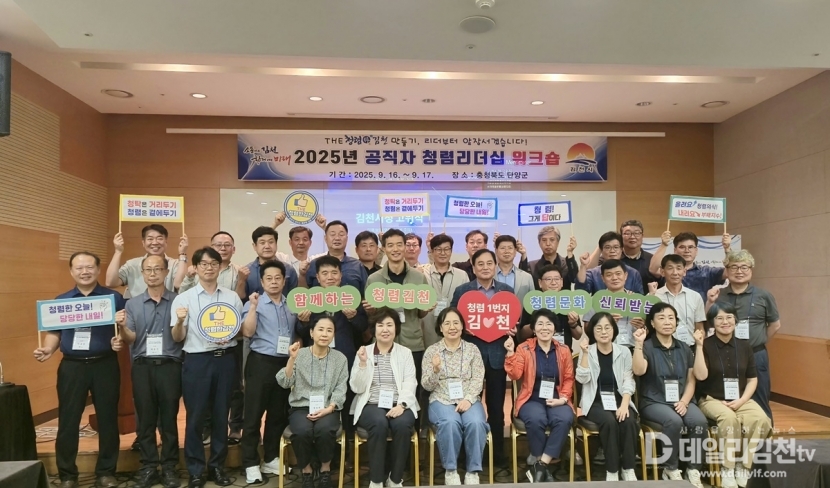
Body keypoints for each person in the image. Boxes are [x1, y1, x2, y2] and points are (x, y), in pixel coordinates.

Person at [33, 252, 126, 488]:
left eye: (89, 267)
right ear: (71, 271)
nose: (85, 271)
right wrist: (48, 349)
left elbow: (124, 328)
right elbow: (55, 332)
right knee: (68, 420)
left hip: (104, 364)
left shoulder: (113, 298)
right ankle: (67, 475)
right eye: (79, 268)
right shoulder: (62, 300)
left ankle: (106, 472)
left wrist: (121, 339)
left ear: (98, 269)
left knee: (108, 419)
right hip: (72, 367)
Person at [171, 246, 244, 488]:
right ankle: (195, 470)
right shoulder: (184, 299)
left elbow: (238, 330)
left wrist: (230, 335)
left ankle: (217, 467)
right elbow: (177, 337)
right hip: (197, 361)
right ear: (196, 267)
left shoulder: (232, 297)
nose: (209, 268)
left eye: (214, 263)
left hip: (226, 360)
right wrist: (180, 321)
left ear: (219, 267)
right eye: (204, 263)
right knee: (196, 417)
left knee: (221, 415)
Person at [114, 254, 182, 488]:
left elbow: (180, 336)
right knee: (145, 419)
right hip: (142, 367)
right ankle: (149, 467)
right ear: (142, 274)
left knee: (169, 419)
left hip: (170, 366)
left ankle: (170, 467)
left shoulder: (178, 301)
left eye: (157, 269)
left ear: (166, 272)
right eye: (148, 270)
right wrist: (122, 327)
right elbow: (130, 339)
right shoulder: (132, 304)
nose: (153, 274)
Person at [694, 303, 772, 488]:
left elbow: (752, 379)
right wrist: (698, 346)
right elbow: (700, 376)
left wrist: (742, 400)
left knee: (762, 419)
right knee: (729, 419)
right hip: (711, 399)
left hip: (741, 399)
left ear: (735, 320)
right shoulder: (705, 344)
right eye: (719, 318)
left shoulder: (745, 346)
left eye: (729, 317)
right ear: (712, 322)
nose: (725, 322)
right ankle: (727, 468)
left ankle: (745, 466)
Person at [450, 248, 515, 468]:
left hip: (497, 357)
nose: (485, 267)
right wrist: (463, 327)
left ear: (495, 266)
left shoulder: (506, 291)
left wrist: (512, 329)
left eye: (489, 263)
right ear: (473, 266)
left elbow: (514, 318)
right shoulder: (462, 291)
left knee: (496, 408)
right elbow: (452, 319)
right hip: (469, 357)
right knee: (467, 405)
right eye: (480, 264)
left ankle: (497, 456)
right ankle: (465, 455)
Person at [240, 261, 303, 484]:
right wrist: (253, 307)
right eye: (269, 278)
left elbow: (297, 332)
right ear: (262, 281)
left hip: (285, 363)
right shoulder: (254, 303)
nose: (274, 282)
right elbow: (247, 332)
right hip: (261, 362)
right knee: (253, 415)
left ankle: (270, 457)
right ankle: (250, 463)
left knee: (278, 414)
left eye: (278, 278)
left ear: (284, 281)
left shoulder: (291, 304)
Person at [632, 303, 706, 487]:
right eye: (661, 318)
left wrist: (685, 401)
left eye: (671, 318)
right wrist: (638, 344)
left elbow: (692, 380)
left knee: (699, 421)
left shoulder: (684, 348)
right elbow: (639, 371)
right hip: (654, 401)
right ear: (652, 323)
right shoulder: (647, 346)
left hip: (682, 400)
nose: (667, 322)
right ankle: (670, 468)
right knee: (673, 421)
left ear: (676, 322)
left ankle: (693, 469)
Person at [706, 250, 780, 422]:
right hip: (724, 354)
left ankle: (763, 435)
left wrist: (758, 342)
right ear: (727, 270)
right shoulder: (719, 295)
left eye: (744, 267)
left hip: (756, 353)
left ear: (751, 270)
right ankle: (733, 434)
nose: (739, 271)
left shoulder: (764, 295)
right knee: (727, 398)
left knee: (760, 397)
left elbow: (775, 325)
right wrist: (710, 302)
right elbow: (708, 322)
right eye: (734, 267)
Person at [350, 308, 419, 488]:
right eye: (380, 325)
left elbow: (410, 382)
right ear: (374, 329)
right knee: (379, 423)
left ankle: (395, 479)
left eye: (390, 325)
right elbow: (356, 387)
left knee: (403, 425)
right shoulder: (364, 351)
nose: (385, 329)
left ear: (396, 328)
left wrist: (402, 405)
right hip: (370, 403)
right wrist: (363, 363)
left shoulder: (405, 353)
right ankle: (376, 480)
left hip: (400, 402)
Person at [276, 317, 349, 488]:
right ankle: (307, 471)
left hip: (328, 407)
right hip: (301, 407)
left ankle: (325, 470)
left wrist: (330, 408)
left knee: (325, 430)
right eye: (320, 329)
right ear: (311, 332)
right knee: (302, 431)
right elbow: (284, 382)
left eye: (329, 330)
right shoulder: (300, 354)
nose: (324, 334)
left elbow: (340, 388)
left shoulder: (340, 358)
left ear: (333, 335)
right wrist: (291, 359)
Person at [504, 309, 575, 483]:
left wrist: (563, 399)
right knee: (536, 419)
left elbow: (568, 378)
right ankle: (542, 465)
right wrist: (510, 353)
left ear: (555, 328)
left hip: (556, 398)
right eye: (540, 324)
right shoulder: (524, 348)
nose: (545, 328)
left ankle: (540, 465)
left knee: (565, 418)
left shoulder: (564, 350)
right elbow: (515, 375)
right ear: (534, 329)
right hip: (531, 398)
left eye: (549, 324)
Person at [421, 308, 488, 485]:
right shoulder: (432, 351)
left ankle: (473, 471)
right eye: (447, 323)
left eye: (456, 323)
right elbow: (426, 385)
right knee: (450, 422)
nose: (452, 327)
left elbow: (478, 378)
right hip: (441, 399)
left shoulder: (472, 349)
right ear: (440, 328)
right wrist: (435, 370)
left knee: (476, 423)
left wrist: (468, 399)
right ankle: (450, 470)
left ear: (462, 326)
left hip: (468, 398)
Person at [575, 312, 640, 482]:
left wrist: (625, 405)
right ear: (592, 331)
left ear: (614, 330)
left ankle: (628, 468)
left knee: (629, 421)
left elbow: (628, 381)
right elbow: (582, 379)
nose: (603, 332)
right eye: (598, 328)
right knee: (609, 422)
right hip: (595, 401)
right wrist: (585, 354)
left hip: (619, 399)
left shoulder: (624, 352)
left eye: (607, 328)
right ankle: (612, 470)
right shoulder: (588, 351)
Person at [106, 224, 188, 297]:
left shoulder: (175, 264)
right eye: (150, 239)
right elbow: (110, 283)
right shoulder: (132, 265)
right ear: (143, 243)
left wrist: (182, 253)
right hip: (138, 308)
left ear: (166, 241)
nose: (155, 242)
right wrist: (118, 251)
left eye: (159, 238)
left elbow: (180, 285)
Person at [581, 260, 646, 349]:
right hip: (605, 348)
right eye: (609, 275)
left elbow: (648, 328)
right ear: (603, 278)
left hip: (633, 347)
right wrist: (605, 322)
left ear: (625, 275)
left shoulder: (637, 300)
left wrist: (642, 326)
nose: (614, 278)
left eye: (618, 274)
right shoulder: (595, 300)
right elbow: (587, 329)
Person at [419, 234, 470, 349]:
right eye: (438, 249)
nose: (443, 253)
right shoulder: (422, 273)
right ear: (432, 251)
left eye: (447, 249)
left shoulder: (462, 275)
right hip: (427, 330)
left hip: (454, 331)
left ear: (451, 251)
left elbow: (466, 304)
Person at [649, 231, 731, 300]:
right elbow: (653, 269)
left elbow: (729, 272)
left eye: (690, 247)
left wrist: (727, 249)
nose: (687, 251)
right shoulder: (669, 271)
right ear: (675, 250)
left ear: (696, 250)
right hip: (670, 313)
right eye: (682, 247)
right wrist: (664, 244)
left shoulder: (706, 272)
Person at [519, 265, 582, 348]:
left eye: (557, 279)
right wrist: (535, 322)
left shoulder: (568, 302)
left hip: (563, 352)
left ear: (562, 282)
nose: (553, 283)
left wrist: (573, 324)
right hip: (536, 352)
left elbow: (578, 336)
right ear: (540, 283)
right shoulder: (533, 302)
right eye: (548, 279)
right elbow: (522, 335)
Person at [653, 254, 706, 347]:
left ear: (684, 271)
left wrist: (699, 348)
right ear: (662, 272)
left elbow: (699, 328)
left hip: (689, 347)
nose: (675, 273)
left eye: (679, 268)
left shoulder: (695, 297)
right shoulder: (654, 296)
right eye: (670, 268)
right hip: (661, 348)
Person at [306, 220, 369, 291]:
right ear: (325, 238)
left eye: (341, 235)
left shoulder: (357, 265)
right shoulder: (315, 263)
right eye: (332, 234)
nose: (337, 238)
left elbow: (366, 292)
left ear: (347, 238)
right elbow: (306, 290)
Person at [179, 231, 244, 297]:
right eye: (218, 245)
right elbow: (182, 295)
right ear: (211, 248)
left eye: (227, 245)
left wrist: (242, 280)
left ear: (233, 249)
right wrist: (189, 277)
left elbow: (240, 298)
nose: (223, 248)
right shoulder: (195, 269)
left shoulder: (240, 271)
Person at [576, 232, 644, 294]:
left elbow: (640, 298)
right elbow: (581, 291)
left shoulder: (633, 273)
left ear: (621, 249)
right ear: (601, 250)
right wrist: (583, 266)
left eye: (616, 247)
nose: (612, 251)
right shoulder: (593, 273)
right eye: (607, 247)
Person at [241, 226, 299, 297]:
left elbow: (294, 297)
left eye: (271, 242)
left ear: (276, 244)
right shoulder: (247, 271)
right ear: (254, 246)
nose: (267, 246)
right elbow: (241, 298)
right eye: (262, 243)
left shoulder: (289, 269)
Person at [518, 225, 579, 290]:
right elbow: (522, 280)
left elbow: (574, 279)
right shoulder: (532, 266)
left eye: (552, 240)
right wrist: (523, 254)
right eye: (544, 240)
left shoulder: (567, 264)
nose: (548, 244)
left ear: (558, 242)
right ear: (539, 243)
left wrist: (570, 252)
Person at [619, 220, 661, 289]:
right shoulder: (615, 258)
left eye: (637, 233)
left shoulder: (652, 260)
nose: (632, 237)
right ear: (621, 236)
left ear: (642, 236)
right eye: (627, 233)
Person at [494, 234, 535, 302]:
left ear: (515, 251)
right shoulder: (489, 275)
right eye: (503, 248)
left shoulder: (527, 277)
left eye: (510, 248)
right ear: (496, 251)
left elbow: (532, 302)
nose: (506, 251)